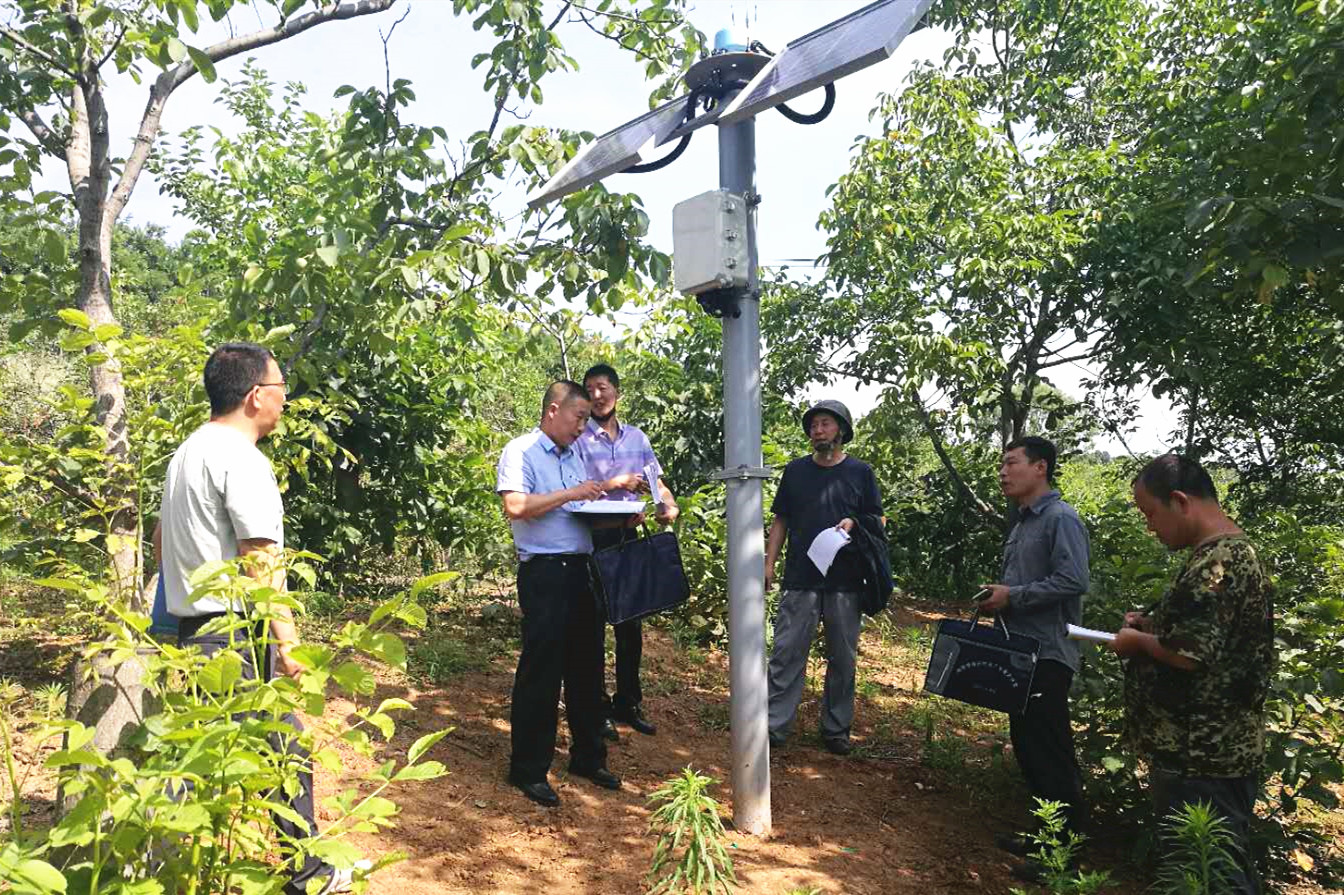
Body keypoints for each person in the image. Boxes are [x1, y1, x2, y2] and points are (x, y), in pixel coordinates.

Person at [159, 342, 361, 895]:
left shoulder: (187, 453)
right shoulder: (242, 458)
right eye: (280, 390)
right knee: (284, 751)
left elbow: (162, 540)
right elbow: (260, 558)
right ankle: (310, 874)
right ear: (255, 396)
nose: (284, 401)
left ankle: (170, 864)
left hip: (195, 632)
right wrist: (289, 645)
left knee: (204, 754)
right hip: (233, 634)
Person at [1112, 454, 1273, 895]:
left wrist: (1137, 642)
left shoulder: (1220, 562)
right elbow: (1208, 633)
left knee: (1212, 872)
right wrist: (1152, 625)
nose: (1150, 527)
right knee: (1206, 866)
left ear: (1180, 501)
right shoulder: (1225, 554)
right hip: (1201, 751)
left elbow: (1190, 654)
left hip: (1203, 753)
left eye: (1150, 513)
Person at [496, 380, 626, 807]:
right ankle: (529, 769)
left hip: (581, 571)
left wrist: (621, 518)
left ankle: (588, 757)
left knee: (588, 669)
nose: (582, 427)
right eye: (579, 417)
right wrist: (573, 492)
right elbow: (516, 506)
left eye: (586, 419)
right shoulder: (521, 451)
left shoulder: (576, 456)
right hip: (545, 573)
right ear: (554, 410)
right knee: (543, 670)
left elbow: (578, 515)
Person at [978, 436, 1090, 879]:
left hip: (1048, 654)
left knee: (1050, 750)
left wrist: (1013, 596)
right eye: (1001, 465)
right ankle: (1045, 834)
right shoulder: (1024, 522)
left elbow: (1073, 580)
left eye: (1012, 463)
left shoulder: (1061, 519)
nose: (1003, 473)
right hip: (1022, 652)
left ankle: (1063, 854)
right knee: (1028, 746)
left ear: (1040, 467)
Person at [764, 399, 883, 756]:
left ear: (841, 430)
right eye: (814, 425)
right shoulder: (796, 472)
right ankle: (774, 726)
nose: (818, 430)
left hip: (846, 581)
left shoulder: (860, 473)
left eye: (825, 424)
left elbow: (878, 520)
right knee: (786, 653)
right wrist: (768, 563)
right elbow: (781, 520)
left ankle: (836, 729)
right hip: (800, 577)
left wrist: (855, 523)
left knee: (843, 658)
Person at [577, 363, 679, 740]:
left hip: (628, 538)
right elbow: (572, 488)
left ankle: (628, 702)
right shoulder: (577, 439)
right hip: (591, 540)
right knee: (592, 628)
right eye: (590, 389)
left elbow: (657, 483)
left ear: (617, 392)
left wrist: (668, 504)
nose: (597, 395)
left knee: (630, 626)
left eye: (602, 387)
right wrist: (614, 483)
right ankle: (596, 708)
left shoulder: (637, 438)